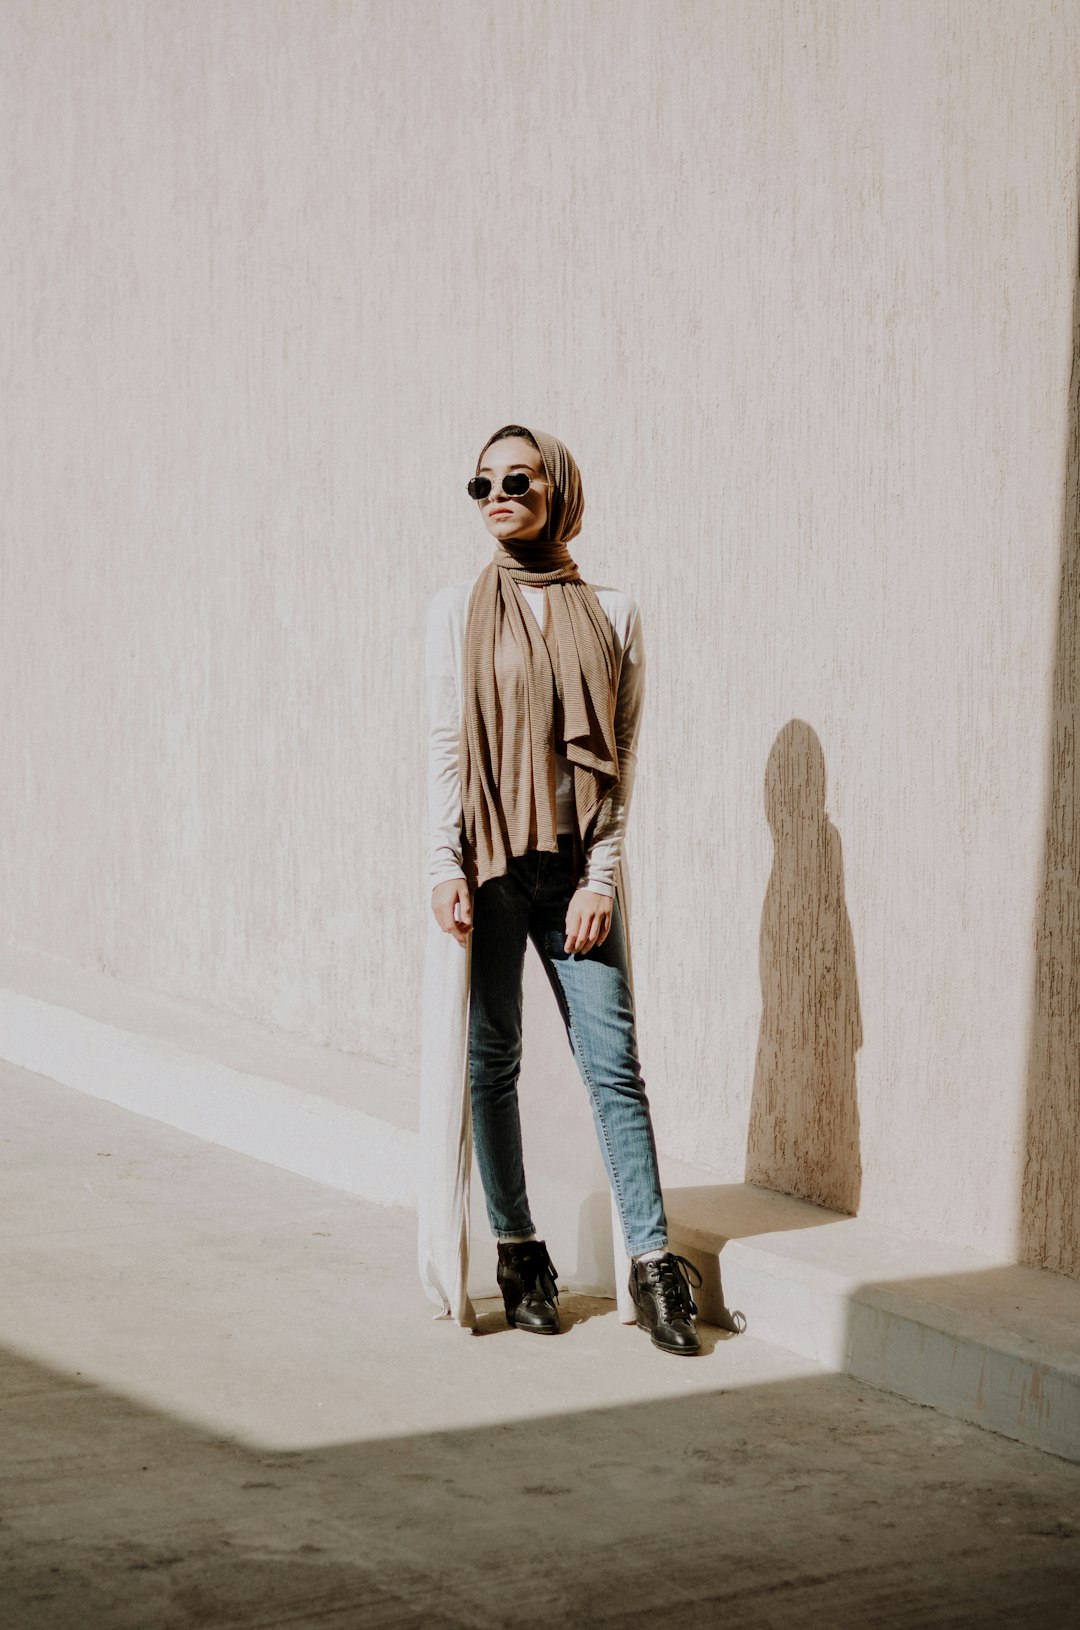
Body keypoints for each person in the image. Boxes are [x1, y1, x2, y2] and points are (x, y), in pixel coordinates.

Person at [421, 423, 702, 1356]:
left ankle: (656, 1266)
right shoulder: (453, 612)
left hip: (573, 869)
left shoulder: (612, 612)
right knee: (490, 1061)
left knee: (613, 1065)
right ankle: (518, 1252)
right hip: (492, 867)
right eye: (481, 484)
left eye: (517, 479)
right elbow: (447, 754)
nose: (497, 494)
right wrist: (441, 865)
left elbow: (618, 766)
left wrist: (601, 879)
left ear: (559, 491)